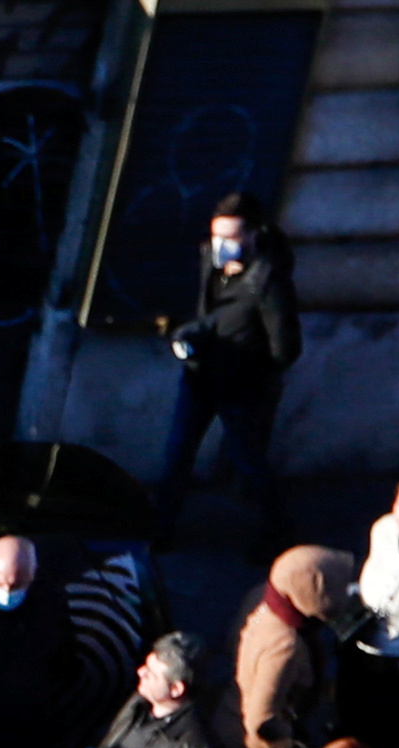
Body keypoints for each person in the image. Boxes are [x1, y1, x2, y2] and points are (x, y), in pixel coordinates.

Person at [158, 198, 297, 541]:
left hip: (239, 387)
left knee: (249, 462)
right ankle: (161, 527)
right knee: (177, 453)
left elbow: (287, 347)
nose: (220, 245)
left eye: (230, 237)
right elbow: (208, 312)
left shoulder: (267, 281)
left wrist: (252, 375)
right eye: (216, 235)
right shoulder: (211, 259)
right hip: (200, 375)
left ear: (251, 235)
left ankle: (277, 531)